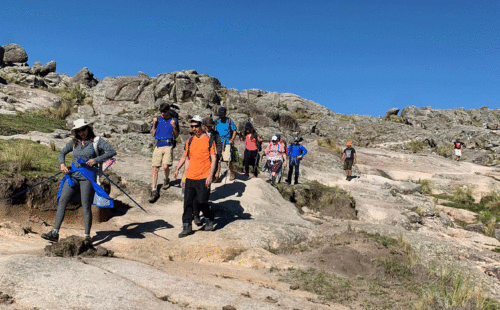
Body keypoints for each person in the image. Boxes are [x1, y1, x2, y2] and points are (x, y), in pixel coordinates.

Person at [41, 119, 117, 242]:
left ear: (88, 128)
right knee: (63, 201)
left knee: (86, 206)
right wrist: (62, 165)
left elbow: (112, 152)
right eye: (78, 130)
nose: (81, 132)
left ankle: (87, 237)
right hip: (73, 175)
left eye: (83, 129)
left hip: (87, 178)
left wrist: (95, 160)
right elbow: (62, 153)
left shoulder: (96, 141)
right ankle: (55, 232)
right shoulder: (74, 142)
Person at [178, 115, 217, 238]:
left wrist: (211, 175)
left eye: (196, 126)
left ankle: (209, 217)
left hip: (203, 176)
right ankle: (186, 226)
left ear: (202, 126)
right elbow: (188, 159)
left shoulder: (209, 140)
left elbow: (214, 158)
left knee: (201, 202)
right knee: (187, 203)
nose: (193, 128)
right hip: (191, 176)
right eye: (192, 126)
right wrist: (183, 176)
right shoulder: (190, 141)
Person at [149, 102, 179, 202]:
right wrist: (154, 124)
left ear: (168, 111)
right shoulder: (158, 120)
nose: (162, 114)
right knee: (155, 168)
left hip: (168, 145)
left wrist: (174, 126)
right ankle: (153, 190)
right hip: (158, 145)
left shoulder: (173, 120)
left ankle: (166, 179)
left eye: (164, 112)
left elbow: (176, 136)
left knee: (165, 166)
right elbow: (152, 133)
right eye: (161, 112)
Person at [214, 107, 237, 182]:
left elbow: (234, 130)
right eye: (220, 114)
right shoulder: (216, 121)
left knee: (227, 159)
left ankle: (231, 172)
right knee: (218, 159)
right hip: (218, 142)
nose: (221, 116)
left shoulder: (229, 121)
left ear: (225, 113)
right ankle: (217, 176)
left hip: (226, 142)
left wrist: (232, 139)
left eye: (222, 114)